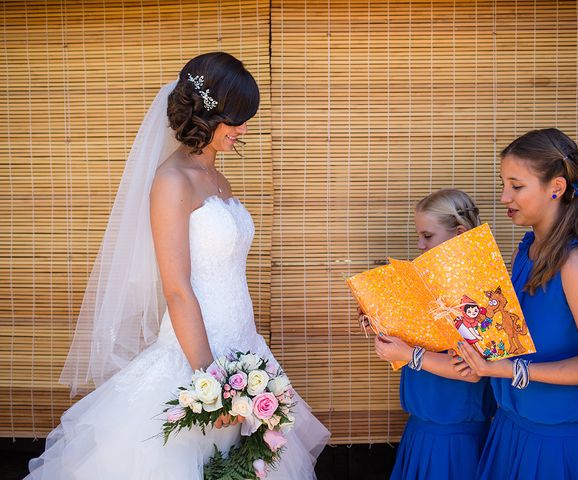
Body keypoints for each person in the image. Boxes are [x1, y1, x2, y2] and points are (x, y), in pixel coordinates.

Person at [27, 52, 329, 479]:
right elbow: (177, 287)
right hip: (197, 355)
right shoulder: (172, 181)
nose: (243, 129)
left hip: (242, 343)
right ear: (207, 114)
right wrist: (213, 382)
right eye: (236, 119)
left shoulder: (216, 176)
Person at [455, 128, 578, 479]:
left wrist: (509, 370)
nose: (504, 197)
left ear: (556, 188)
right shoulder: (525, 250)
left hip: (560, 447)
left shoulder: (577, 264)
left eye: (516, 186)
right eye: (504, 184)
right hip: (510, 431)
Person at [370, 189, 496, 480]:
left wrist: (408, 355)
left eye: (427, 236)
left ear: (459, 233)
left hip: (456, 441)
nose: (419, 245)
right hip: (419, 429)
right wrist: (380, 323)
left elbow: (472, 371)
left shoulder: (479, 292)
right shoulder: (428, 284)